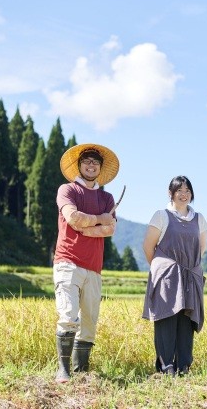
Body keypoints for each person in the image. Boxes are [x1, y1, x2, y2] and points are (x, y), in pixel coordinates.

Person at [53, 143, 119, 383]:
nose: (91, 165)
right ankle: (63, 369)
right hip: (68, 261)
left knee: (90, 320)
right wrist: (99, 220)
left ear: (100, 169)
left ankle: (82, 371)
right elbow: (72, 217)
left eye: (95, 162)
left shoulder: (106, 196)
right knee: (68, 314)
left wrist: (86, 226)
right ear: (79, 166)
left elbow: (111, 229)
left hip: (94, 266)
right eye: (87, 161)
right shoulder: (67, 190)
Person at [142, 176, 207, 376]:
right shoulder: (161, 215)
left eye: (187, 190)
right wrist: (162, 268)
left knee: (186, 320)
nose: (184, 194)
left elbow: (201, 248)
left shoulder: (199, 219)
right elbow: (148, 246)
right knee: (166, 317)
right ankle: (166, 364)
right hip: (167, 275)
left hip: (190, 274)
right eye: (179, 190)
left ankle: (183, 365)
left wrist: (187, 266)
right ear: (170, 193)